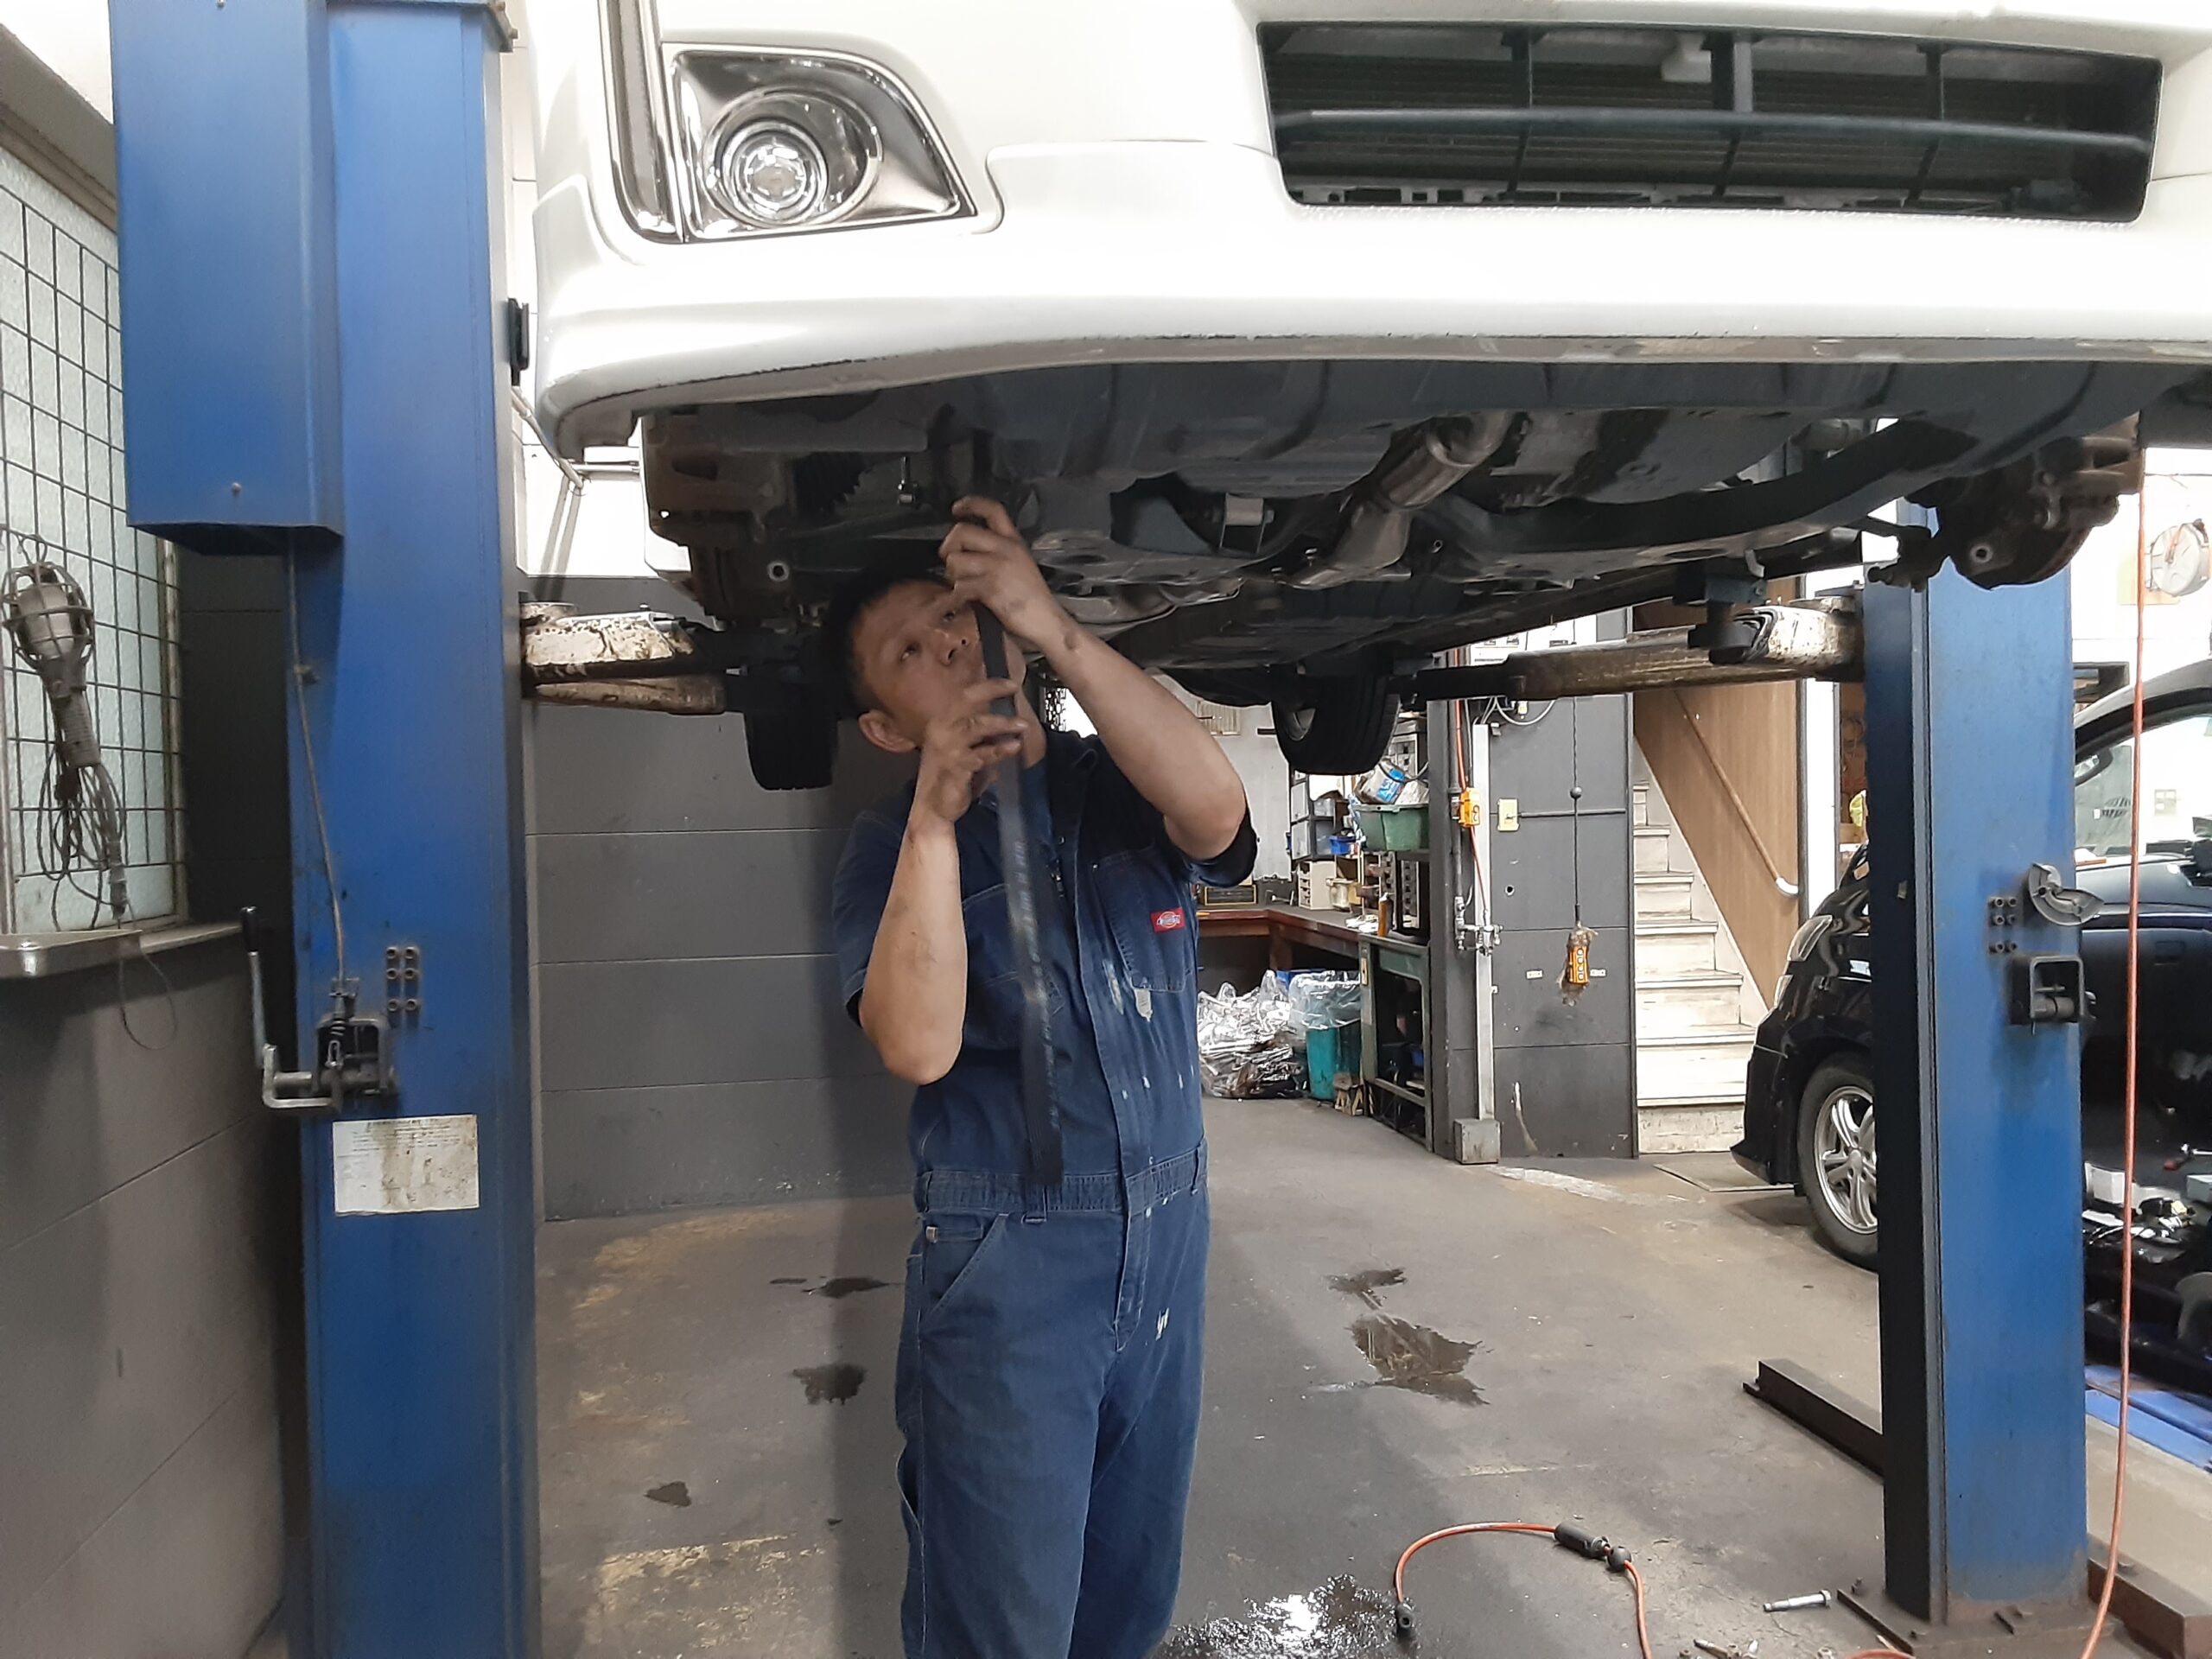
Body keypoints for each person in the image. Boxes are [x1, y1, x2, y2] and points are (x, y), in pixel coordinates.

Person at [828, 496, 1255, 1659]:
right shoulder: (887, 849)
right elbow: (916, 1047)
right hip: (1010, 1262)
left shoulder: (1112, 782)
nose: (948, 645)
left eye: (953, 619)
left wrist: (1056, 628)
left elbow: (1217, 811)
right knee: (1001, 1621)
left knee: (1129, 1602)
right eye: (909, 652)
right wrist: (935, 824)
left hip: (1167, 1234)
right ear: (885, 727)